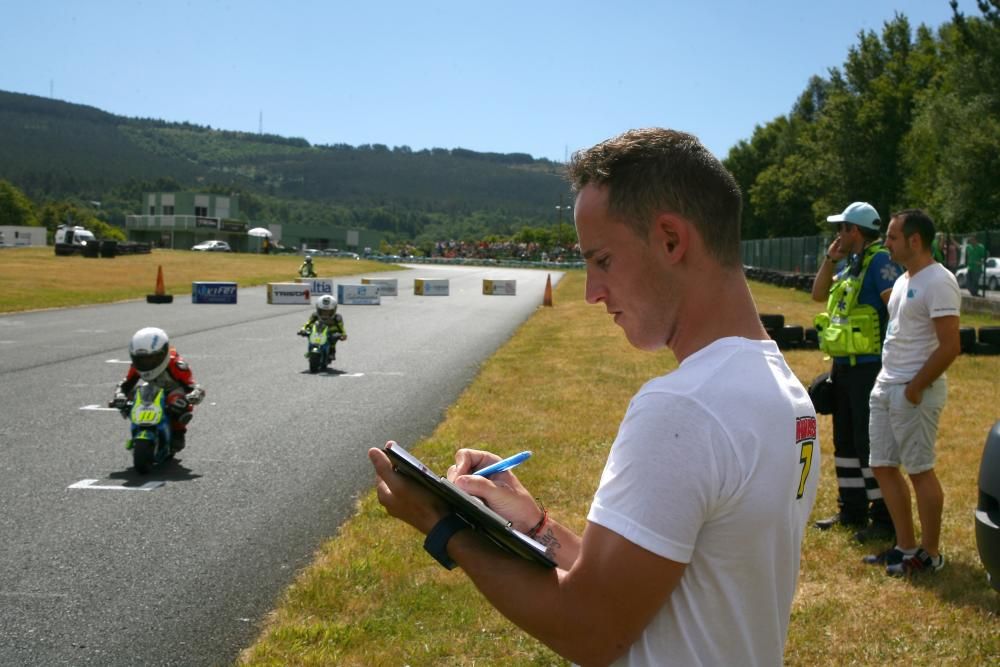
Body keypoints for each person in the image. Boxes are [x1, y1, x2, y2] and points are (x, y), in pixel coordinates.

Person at [368, 128, 820, 665]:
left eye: (602, 260)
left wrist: (446, 526)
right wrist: (534, 524)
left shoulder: (684, 408)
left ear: (671, 240)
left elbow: (592, 630)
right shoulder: (783, 391)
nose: (591, 292)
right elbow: (638, 592)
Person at [864, 209, 961, 576]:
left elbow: (950, 346)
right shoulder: (906, 280)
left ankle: (930, 555)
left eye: (891, 237)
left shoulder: (939, 281)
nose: (886, 242)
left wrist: (916, 388)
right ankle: (905, 548)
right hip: (887, 385)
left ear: (914, 241)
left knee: (920, 470)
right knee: (883, 465)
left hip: (912, 391)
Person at [810, 202, 900, 542]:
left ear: (855, 231)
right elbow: (819, 294)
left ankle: (883, 518)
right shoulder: (849, 265)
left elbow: (896, 309)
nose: (838, 234)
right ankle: (851, 510)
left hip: (870, 369)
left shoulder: (879, 262)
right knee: (845, 441)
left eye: (842, 228)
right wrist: (830, 259)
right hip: (844, 367)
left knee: (869, 443)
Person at [111, 327, 205, 452]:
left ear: (163, 353)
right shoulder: (136, 366)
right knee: (133, 394)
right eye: (141, 359)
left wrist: (194, 395)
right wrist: (119, 396)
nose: (145, 363)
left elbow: (193, 386)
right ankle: (138, 426)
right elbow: (126, 384)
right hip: (152, 391)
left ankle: (178, 432)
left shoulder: (176, 365)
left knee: (177, 400)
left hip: (173, 393)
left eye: (151, 358)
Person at [298, 295, 346, 361]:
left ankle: (332, 352)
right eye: (322, 311)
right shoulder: (315, 315)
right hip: (317, 331)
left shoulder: (337, 318)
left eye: (328, 312)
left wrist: (343, 335)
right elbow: (308, 323)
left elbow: (341, 328)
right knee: (308, 332)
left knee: (335, 336)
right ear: (318, 309)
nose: (325, 314)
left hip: (330, 334)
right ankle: (311, 348)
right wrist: (303, 330)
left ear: (334, 310)